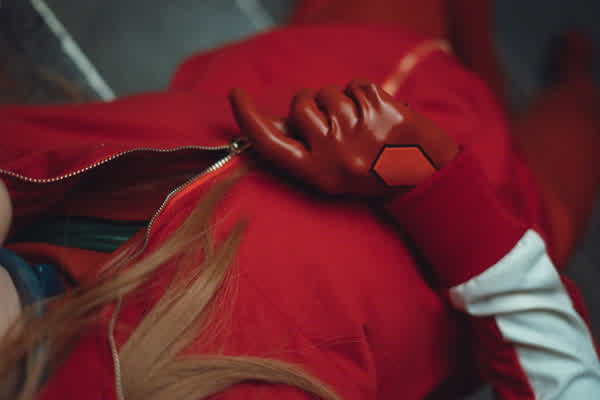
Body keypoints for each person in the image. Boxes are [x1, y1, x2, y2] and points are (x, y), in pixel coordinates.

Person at [1, 1, 599, 399]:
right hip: (486, 243)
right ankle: (563, 77)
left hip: (313, 71)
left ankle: (483, 56)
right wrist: (436, 188)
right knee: (581, 114)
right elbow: (564, 376)